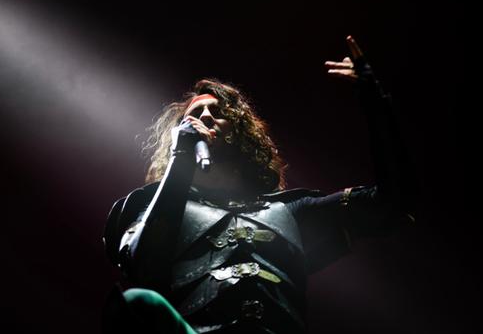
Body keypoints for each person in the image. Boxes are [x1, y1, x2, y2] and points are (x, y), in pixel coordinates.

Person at [102, 37, 416, 334]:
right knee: (139, 303)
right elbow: (140, 266)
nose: (207, 117)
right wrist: (181, 158)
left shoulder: (290, 211)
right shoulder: (149, 204)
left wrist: (376, 101)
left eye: (219, 112)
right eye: (195, 115)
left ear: (241, 132)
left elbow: (392, 203)